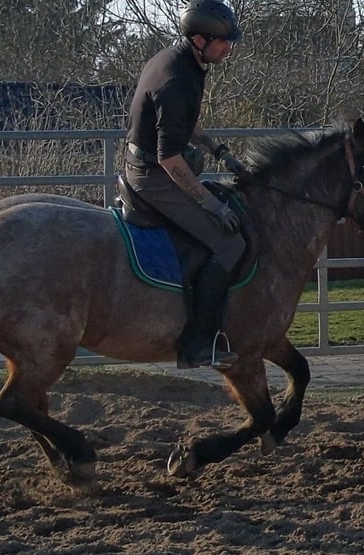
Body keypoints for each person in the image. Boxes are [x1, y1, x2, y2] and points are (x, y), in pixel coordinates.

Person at [124, 0, 249, 369]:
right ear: (199, 40)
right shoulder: (177, 79)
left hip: (153, 164)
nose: (228, 48)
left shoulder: (180, 62)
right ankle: (197, 342)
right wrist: (211, 205)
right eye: (223, 41)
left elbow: (184, 121)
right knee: (230, 244)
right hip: (152, 177)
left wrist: (220, 151)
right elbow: (169, 159)